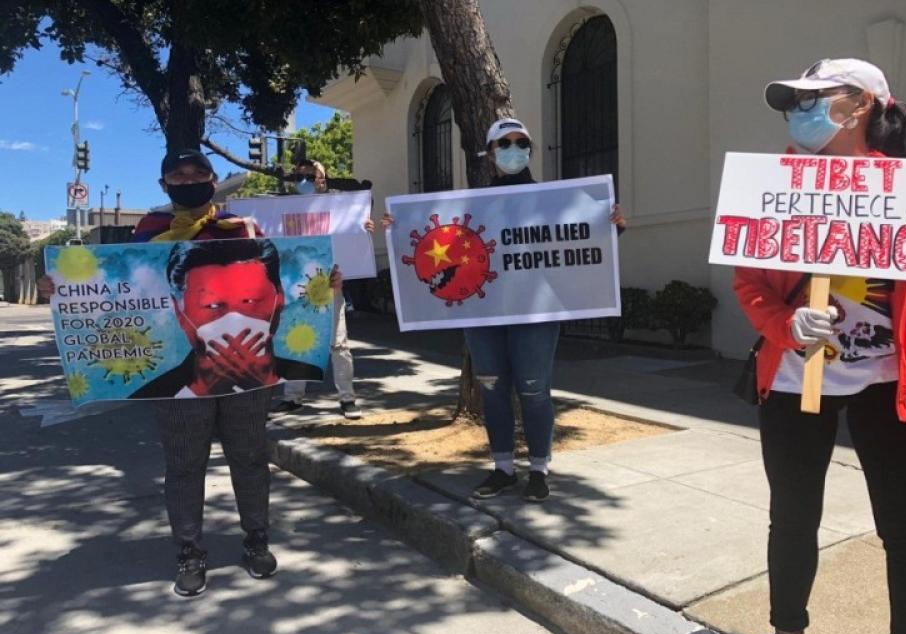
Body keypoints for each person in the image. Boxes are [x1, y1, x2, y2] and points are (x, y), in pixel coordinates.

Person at [735, 59, 906, 634]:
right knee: (793, 517)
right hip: (797, 379)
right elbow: (750, 283)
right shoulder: (776, 187)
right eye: (795, 102)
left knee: (905, 529)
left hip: (887, 385)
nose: (799, 112)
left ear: (861, 106)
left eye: (814, 98)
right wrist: (783, 323)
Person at [40, 148, 342, 598]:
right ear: (164, 185)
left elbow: (287, 282)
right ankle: (190, 551)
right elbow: (112, 294)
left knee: (251, 460)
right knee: (184, 466)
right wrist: (60, 289)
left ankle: (256, 540)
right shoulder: (145, 236)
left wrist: (324, 284)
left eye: (197, 172)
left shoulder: (244, 229)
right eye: (178, 175)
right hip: (181, 388)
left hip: (253, 385)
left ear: (212, 178)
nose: (188, 180)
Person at [383, 118, 626, 503]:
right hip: (485, 315)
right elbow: (435, 242)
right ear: (491, 153)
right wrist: (395, 228)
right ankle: (502, 469)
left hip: (536, 314)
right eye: (505, 144)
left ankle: (538, 470)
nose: (515, 150)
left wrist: (611, 224)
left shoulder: (554, 199)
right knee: (493, 389)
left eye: (521, 142)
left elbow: (583, 239)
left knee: (534, 390)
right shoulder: (473, 205)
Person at [129, 238, 323, 399]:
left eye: (250, 301)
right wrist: (198, 390)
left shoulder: (310, 372)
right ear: (179, 311)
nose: (234, 322)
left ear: (279, 298)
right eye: (212, 306)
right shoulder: (158, 392)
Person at [271, 158, 373, 419]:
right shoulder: (279, 211)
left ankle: (347, 399)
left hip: (331, 284)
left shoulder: (341, 208)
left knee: (338, 343)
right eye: (299, 176)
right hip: (294, 286)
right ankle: (292, 398)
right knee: (294, 342)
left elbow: (354, 232)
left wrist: (364, 230)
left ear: (323, 179)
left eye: (311, 175)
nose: (305, 180)